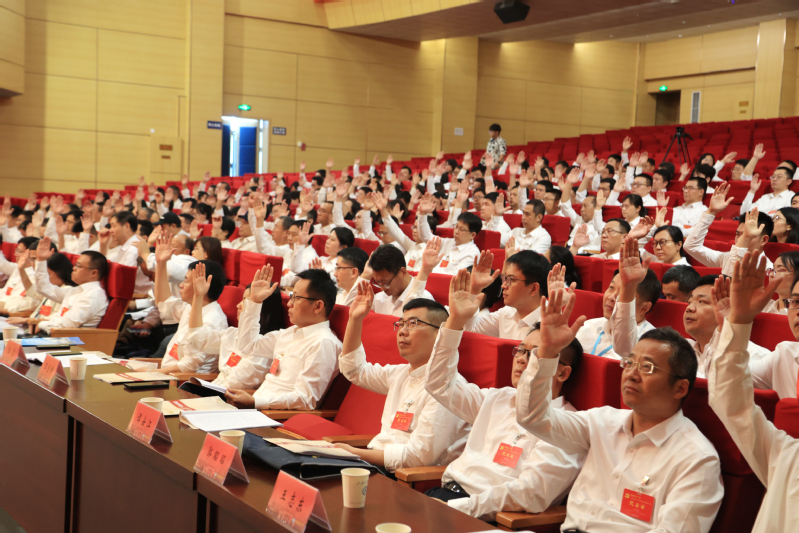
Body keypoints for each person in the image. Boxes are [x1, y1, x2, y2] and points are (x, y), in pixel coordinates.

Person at [516, 287, 723, 533]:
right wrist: (546, 354)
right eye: (629, 362)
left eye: (647, 367)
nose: (631, 374)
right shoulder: (603, 421)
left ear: (680, 388)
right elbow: (532, 418)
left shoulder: (697, 458)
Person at [422, 272, 585, 520]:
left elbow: (530, 493)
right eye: (520, 350)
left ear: (562, 372)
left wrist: (459, 508)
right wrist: (455, 321)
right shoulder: (498, 398)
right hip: (445, 495)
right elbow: (438, 385)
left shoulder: (567, 426)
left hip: (482, 516)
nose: (521, 359)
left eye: (534, 353)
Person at [707, 251, 799, 532]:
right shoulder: (784, 450)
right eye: (795, 302)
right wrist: (735, 323)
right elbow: (727, 392)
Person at [333, 284, 469, 472]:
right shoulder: (400, 374)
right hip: (375, 463)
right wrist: (355, 319)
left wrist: (355, 453)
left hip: (407, 478)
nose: (402, 331)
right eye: (401, 324)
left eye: (413, 324)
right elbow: (354, 370)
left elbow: (418, 458)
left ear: (441, 334)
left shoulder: (448, 389)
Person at [224, 267, 342, 410]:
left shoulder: (323, 343)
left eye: (296, 298)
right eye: (291, 296)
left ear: (318, 306)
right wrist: (255, 302)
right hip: (257, 408)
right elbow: (248, 346)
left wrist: (255, 402)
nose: (289, 304)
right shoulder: (289, 333)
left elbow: (305, 399)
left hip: (275, 416)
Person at [178, 263, 284, 396]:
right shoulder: (233, 334)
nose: (238, 305)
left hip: (227, 400)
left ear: (262, 308)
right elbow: (196, 339)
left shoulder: (265, 347)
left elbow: (236, 384)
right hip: (213, 391)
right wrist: (198, 296)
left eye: (247, 301)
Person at [153, 233, 228, 374]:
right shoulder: (192, 308)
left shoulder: (213, 320)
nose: (181, 285)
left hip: (182, 382)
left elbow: (188, 367)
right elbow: (163, 302)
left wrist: (150, 374)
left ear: (203, 286)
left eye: (186, 281)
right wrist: (161, 263)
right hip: (166, 374)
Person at [685, 183, 774, 276]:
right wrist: (711, 212)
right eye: (738, 234)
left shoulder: (768, 270)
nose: (740, 239)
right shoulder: (727, 257)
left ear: (764, 240)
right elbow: (691, 246)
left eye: (746, 235)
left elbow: (733, 275)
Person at [465, 250, 549, 340]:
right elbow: (470, 330)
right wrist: (475, 289)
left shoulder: (551, 322)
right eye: (505, 279)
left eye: (511, 280)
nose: (503, 286)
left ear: (533, 288)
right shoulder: (507, 312)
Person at [32, 237, 109, 335]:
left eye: (79, 266)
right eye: (75, 264)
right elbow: (44, 288)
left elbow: (66, 324)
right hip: (56, 335)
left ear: (93, 273)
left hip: (70, 340)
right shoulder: (77, 290)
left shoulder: (93, 294)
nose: (74, 268)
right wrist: (41, 261)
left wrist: (41, 325)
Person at [5, 252, 76, 332]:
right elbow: (33, 292)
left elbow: (56, 320)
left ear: (59, 273)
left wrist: (27, 320)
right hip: (30, 328)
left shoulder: (66, 291)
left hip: (42, 331)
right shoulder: (52, 288)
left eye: (48, 274)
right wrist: (21, 270)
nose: (45, 279)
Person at [360, 244, 434, 317]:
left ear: (403, 272)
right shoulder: (379, 299)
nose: (382, 289)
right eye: (378, 283)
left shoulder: (424, 299)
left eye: (385, 283)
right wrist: (366, 275)